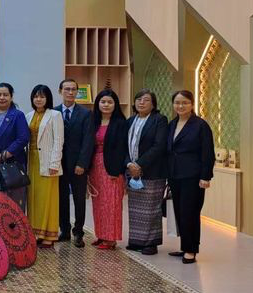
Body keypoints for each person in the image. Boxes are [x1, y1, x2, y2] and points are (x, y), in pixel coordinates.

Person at [167, 90, 214, 264]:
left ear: (192, 104)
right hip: (175, 174)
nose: (180, 106)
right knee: (179, 212)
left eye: (185, 102)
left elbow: (207, 153)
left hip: (193, 176)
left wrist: (205, 176)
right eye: (177, 102)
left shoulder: (200, 125)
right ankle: (184, 245)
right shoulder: (172, 124)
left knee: (190, 212)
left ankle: (191, 250)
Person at [123, 89, 169, 255]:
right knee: (135, 209)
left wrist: (139, 164)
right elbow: (123, 145)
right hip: (132, 172)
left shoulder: (159, 120)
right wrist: (129, 164)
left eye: (146, 100)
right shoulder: (130, 121)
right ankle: (136, 240)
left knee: (151, 209)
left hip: (152, 172)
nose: (141, 102)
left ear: (153, 104)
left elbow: (159, 146)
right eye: (138, 99)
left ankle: (151, 243)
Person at [55, 78, 95, 248]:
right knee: (61, 199)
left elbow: (88, 141)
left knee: (79, 199)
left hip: (78, 165)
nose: (70, 92)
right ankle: (64, 230)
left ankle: (78, 232)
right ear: (60, 91)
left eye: (73, 89)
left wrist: (82, 163)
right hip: (59, 165)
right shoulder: (54, 112)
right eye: (67, 89)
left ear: (77, 92)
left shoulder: (86, 114)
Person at [25, 85, 64, 247]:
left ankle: (49, 235)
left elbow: (59, 140)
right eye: (36, 96)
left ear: (48, 98)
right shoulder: (28, 115)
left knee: (48, 199)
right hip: (32, 161)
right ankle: (35, 233)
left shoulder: (55, 115)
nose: (38, 99)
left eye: (42, 96)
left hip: (48, 163)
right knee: (33, 198)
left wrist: (55, 163)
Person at [88, 89, 127, 250]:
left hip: (112, 167)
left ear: (115, 104)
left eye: (110, 102)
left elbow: (122, 149)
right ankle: (101, 234)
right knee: (98, 203)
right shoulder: (94, 121)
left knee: (111, 204)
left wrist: (117, 170)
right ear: (98, 104)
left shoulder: (120, 123)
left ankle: (111, 239)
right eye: (103, 102)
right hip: (95, 167)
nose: (106, 105)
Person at [0, 82, 30, 212]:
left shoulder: (17, 115)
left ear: (11, 97)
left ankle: (14, 225)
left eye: (5, 95)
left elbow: (23, 138)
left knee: (14, 202)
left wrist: (4, 154)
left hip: (13, 165)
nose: (2, 97)